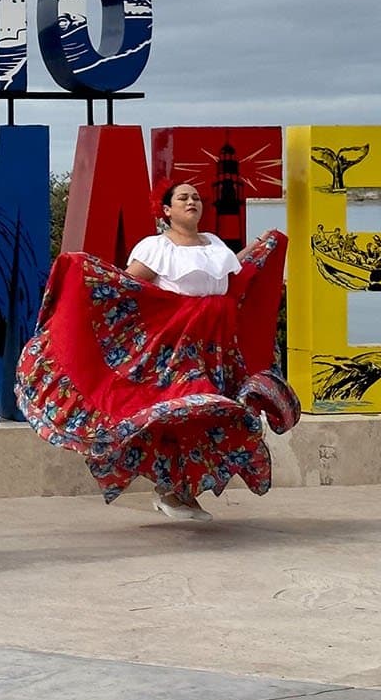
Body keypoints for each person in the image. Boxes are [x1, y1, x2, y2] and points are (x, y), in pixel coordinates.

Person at [18, 182, 299, 521]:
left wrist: (261, 248)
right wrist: (84, 274)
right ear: (166, 210)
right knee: (183, 412)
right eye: (183, 198)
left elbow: (232, 278)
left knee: (210, 417)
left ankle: (182, 493)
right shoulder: (155, 248)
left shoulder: (214, 244)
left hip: (215, 350)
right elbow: (128, 288)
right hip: (176, 353)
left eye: (196, 198)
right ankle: (170, 493)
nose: (191, 202)